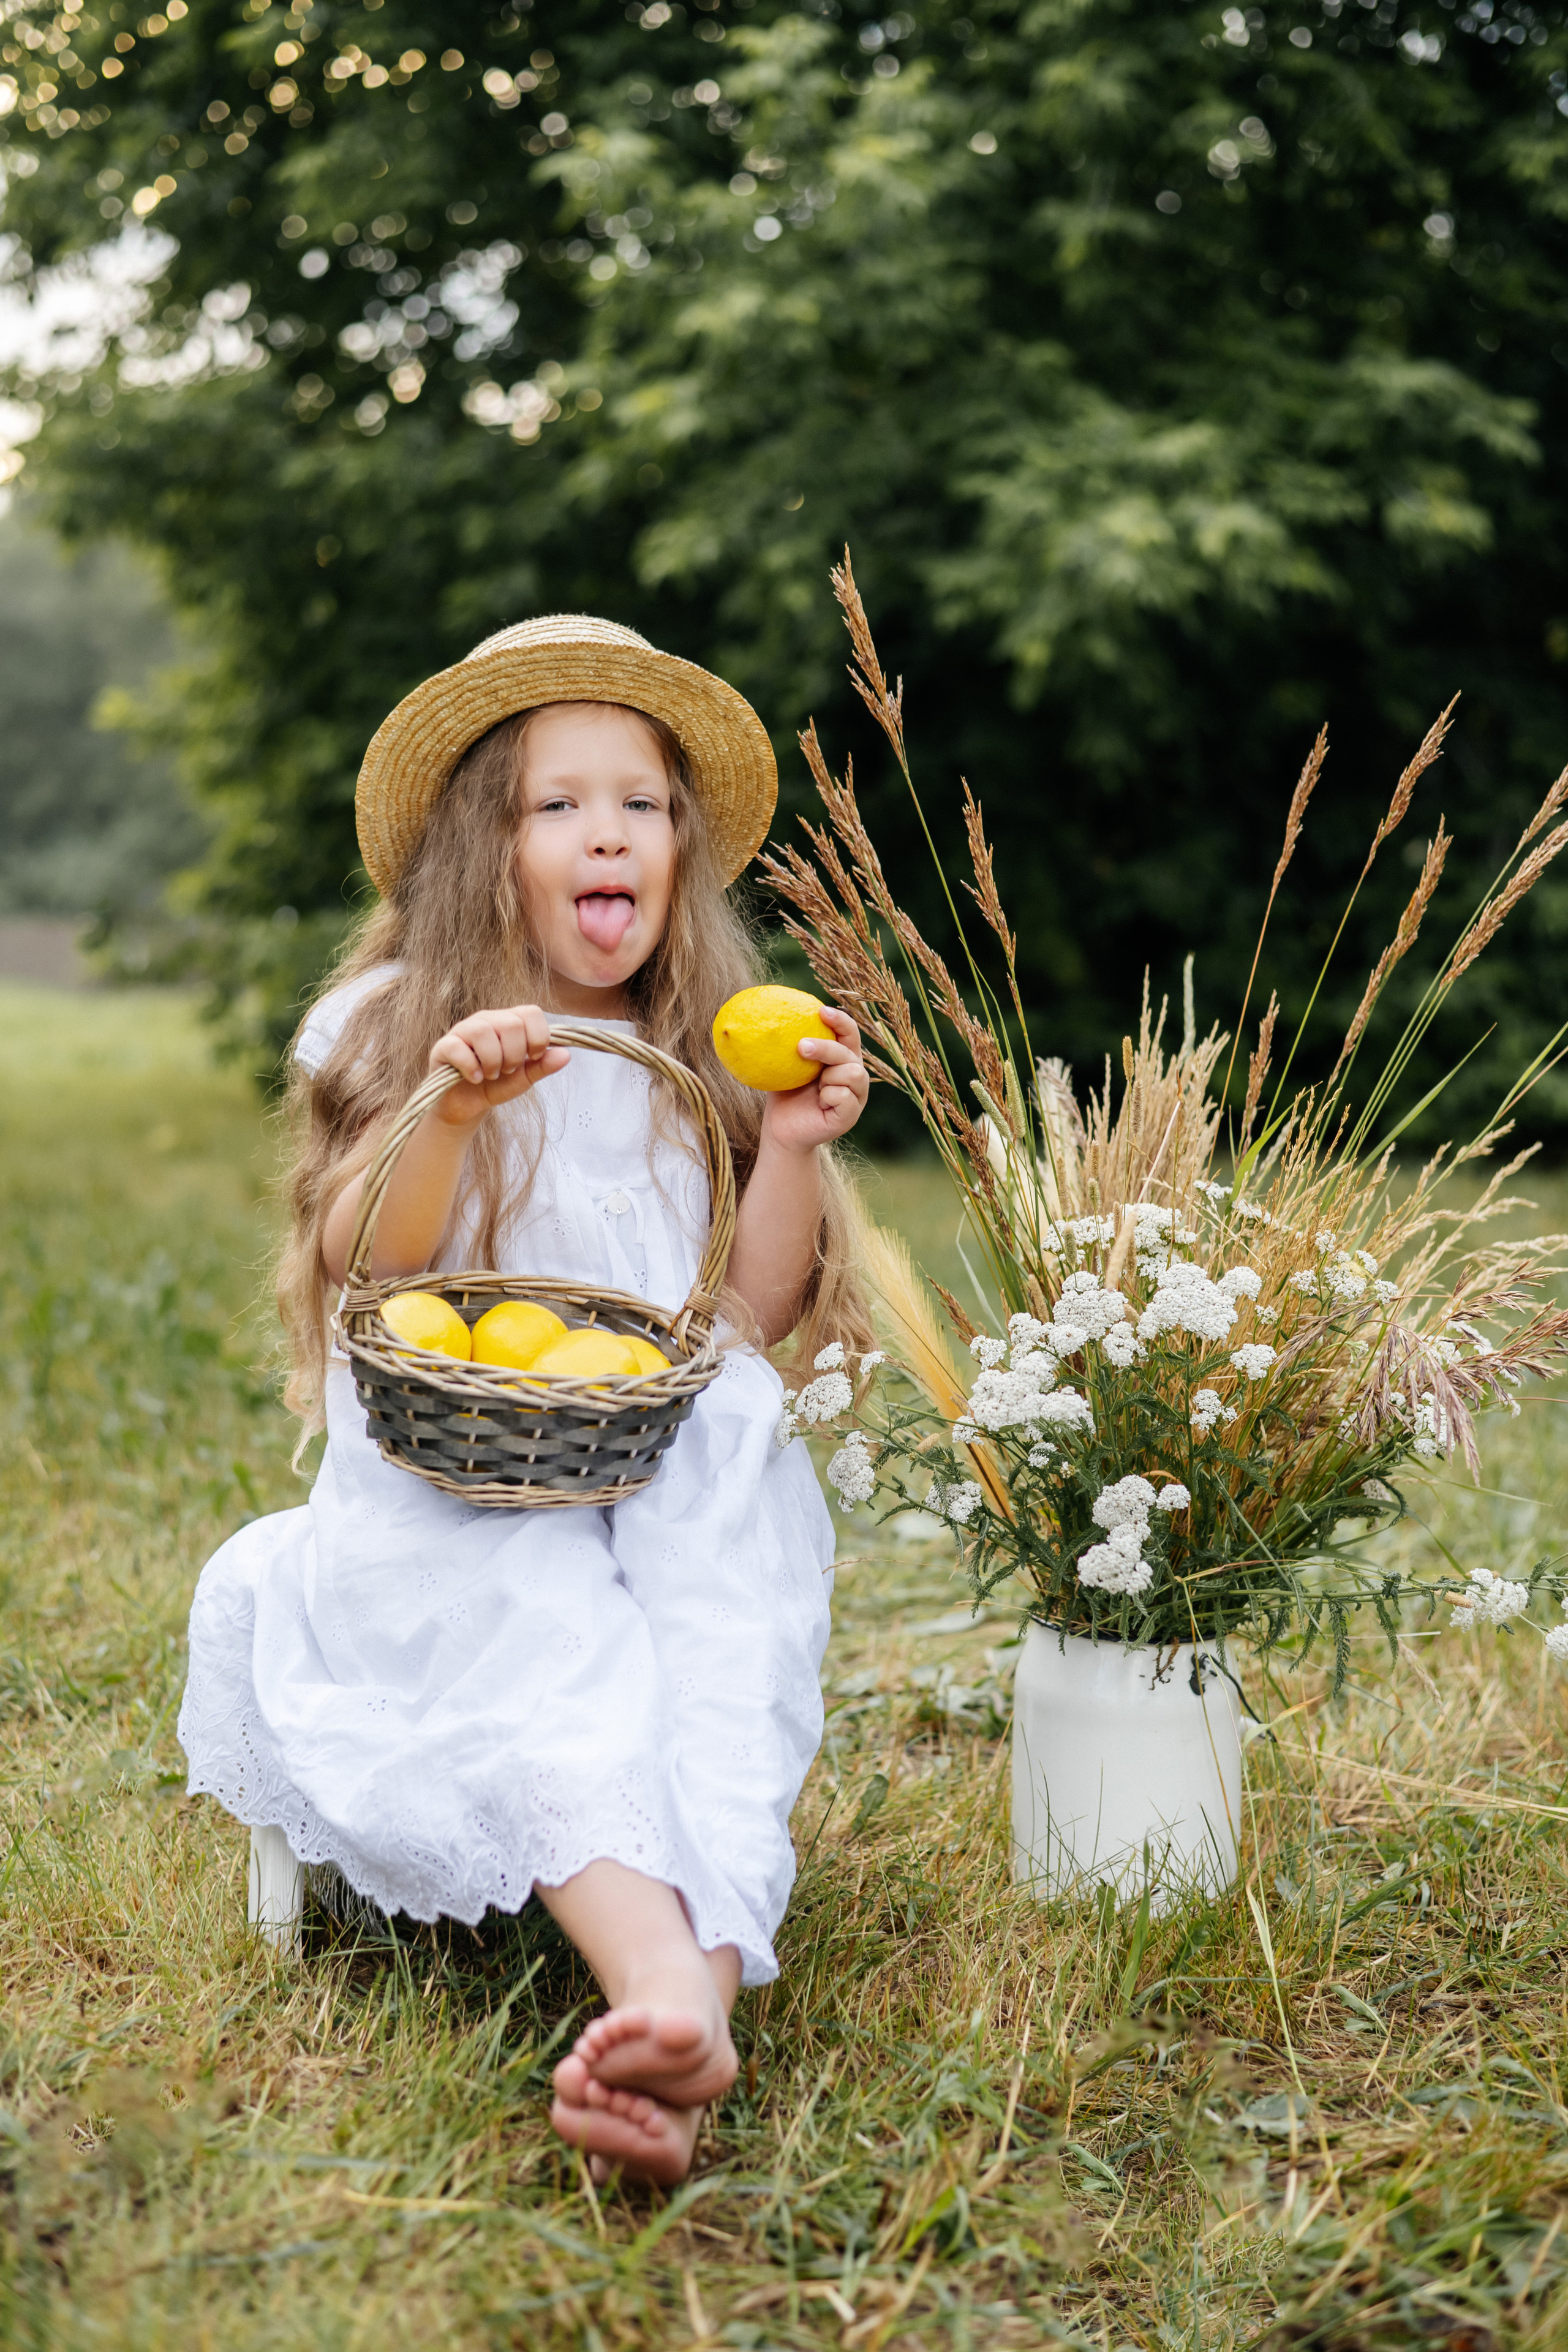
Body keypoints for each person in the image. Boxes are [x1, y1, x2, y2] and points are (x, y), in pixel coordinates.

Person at [178, 616, 873, 2184]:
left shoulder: (697, 1049)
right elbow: (367, 1258)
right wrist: (455, 1109)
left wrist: (791, 1147)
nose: (604, 831)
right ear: (477, 850)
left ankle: (682, 2024)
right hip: (453, 1473)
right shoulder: (400, 1025)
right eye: (554, 805)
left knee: (713, 1638)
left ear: (678, 847)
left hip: (662, 1454)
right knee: (546, 1622)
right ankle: (664, 1997)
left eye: (639, 802)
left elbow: (744, 1322)